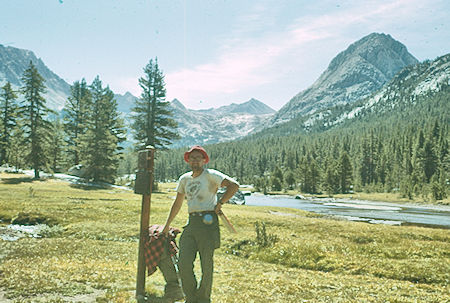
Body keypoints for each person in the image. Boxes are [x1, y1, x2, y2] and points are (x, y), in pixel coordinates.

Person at [162, 145, 239, 303]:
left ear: (204, 160)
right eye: (192, 157)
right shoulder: (185, 179)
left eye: (198, 157)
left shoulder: (211, 175)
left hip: (208, 222)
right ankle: (191, 297)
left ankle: (203, 299)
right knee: (183, 262)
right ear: (188, 160)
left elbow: (234, 185)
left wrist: (221, 202)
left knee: (206, 264)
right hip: (192, 222)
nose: (195, 160)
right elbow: (177, 203)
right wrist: (166, 225)